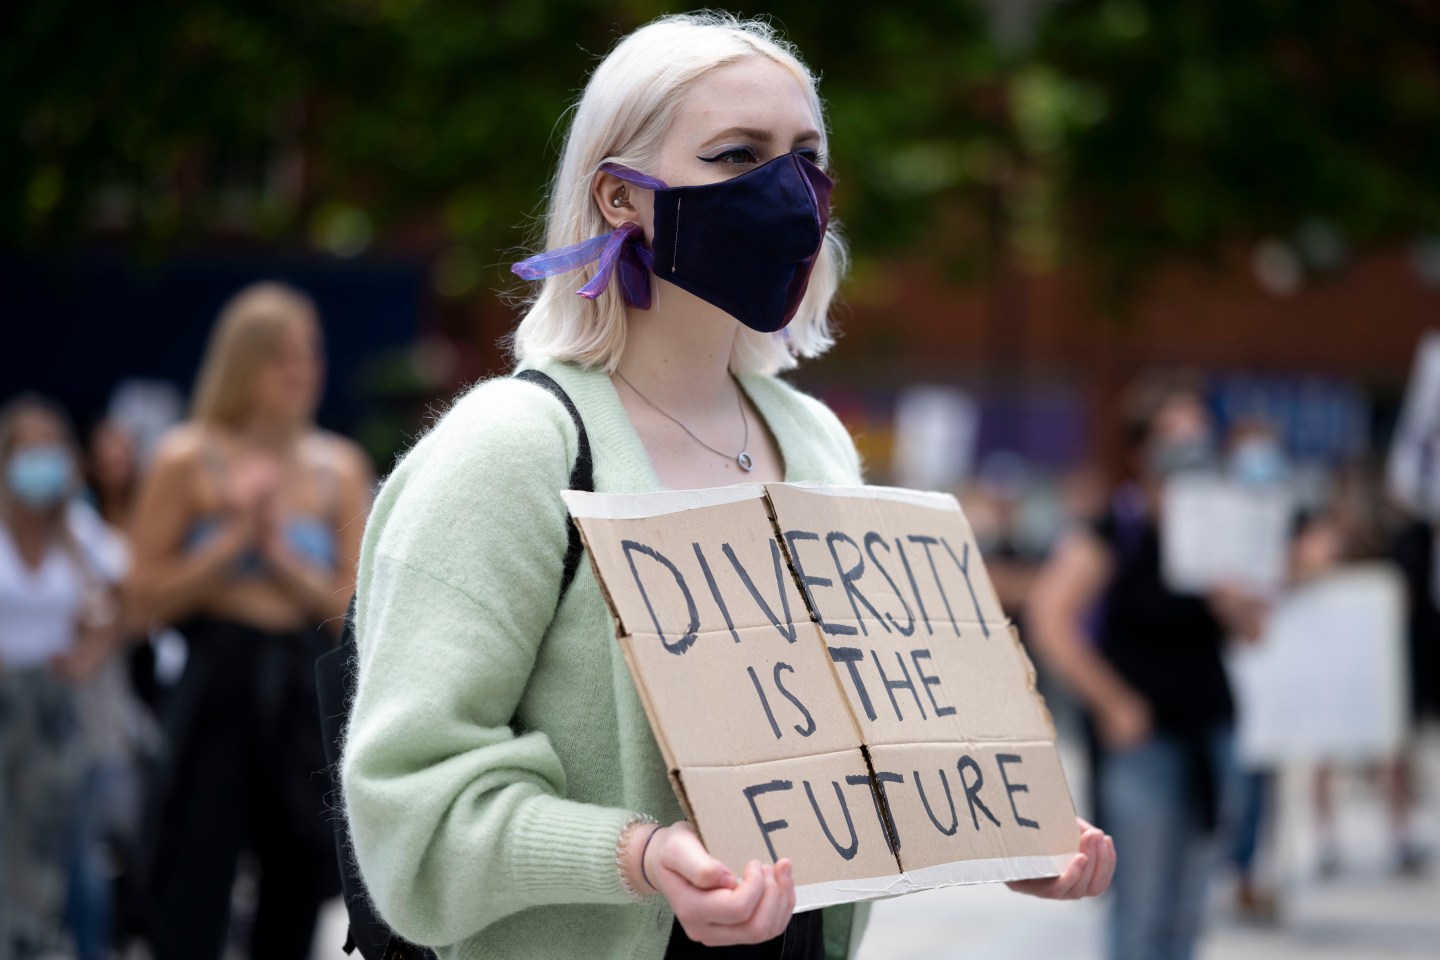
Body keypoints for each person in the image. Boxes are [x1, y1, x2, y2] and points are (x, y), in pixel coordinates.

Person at [341, 14, 1114, 960]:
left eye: (807, 156)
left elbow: (863, 745)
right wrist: (636, 855)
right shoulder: (511, 450)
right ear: (622, 198)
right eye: (739, 154)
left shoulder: (815, 439)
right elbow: (409, 806)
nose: (790, 191)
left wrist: (993, 832)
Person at [128, 282, 373, 960]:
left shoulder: (339, 467)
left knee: (297, 882)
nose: (301, 372)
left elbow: (347, 614)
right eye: (281, 357)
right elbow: (141, 600)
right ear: (243, 364)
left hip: (299, 690)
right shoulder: (186, 457)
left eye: (310, 354)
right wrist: (234, 538)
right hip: (216, 686)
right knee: (193, 877)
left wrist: (276, 550)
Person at [1028, 376, 1262, 960]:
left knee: (1190, 907)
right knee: (1142, 906)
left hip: (1211, 730)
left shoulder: (1217, 526)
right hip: (1143, 744)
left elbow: (1255, 631)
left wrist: (1235, 604)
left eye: (1197, 435)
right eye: (1173, 436)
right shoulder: (1117, 528)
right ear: (1141, 449)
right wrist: (1113, 702)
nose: (1189, 448)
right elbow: (1050, 617)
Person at [0, 394, 123, 959]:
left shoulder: (77, 529)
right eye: (29, 451)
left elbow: (125, 593)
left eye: (51, 450)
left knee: (68, 846)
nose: (40, 462)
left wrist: (88, 654)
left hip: (58, 710)